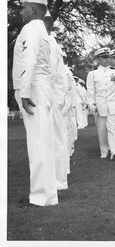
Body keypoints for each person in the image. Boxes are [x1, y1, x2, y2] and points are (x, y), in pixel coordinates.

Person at [12, 0, 57, 207]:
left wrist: (24, 92)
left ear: (34, 10)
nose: (21, 12)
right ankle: (47, 195)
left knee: (38, 143)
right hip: (42, 88)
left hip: (34, 89)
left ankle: (40, 196)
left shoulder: (30, 29)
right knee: (43, 143)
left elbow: (28, 61)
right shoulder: (42, 30)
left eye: (24, 8)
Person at [43, 11, 69, 190]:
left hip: (49, 100)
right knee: (53, 141)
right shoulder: (49, 42)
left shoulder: (48, 43)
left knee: (52, 141)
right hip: (51, 99)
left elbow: (54, 76)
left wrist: (56, 100)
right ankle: (56, 179)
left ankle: (55, 180)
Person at [86, 47, 115, 161]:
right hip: (100, 105)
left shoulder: (114, 72)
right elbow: (90, 91)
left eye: (108, 57)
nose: (107, 59)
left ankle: (114, 151)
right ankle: (104, 151)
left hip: (113, 104)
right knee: (101, 129)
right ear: (98, 59)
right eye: (104, 57)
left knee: (113, 129)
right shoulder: (93, 74)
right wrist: (91, 104)